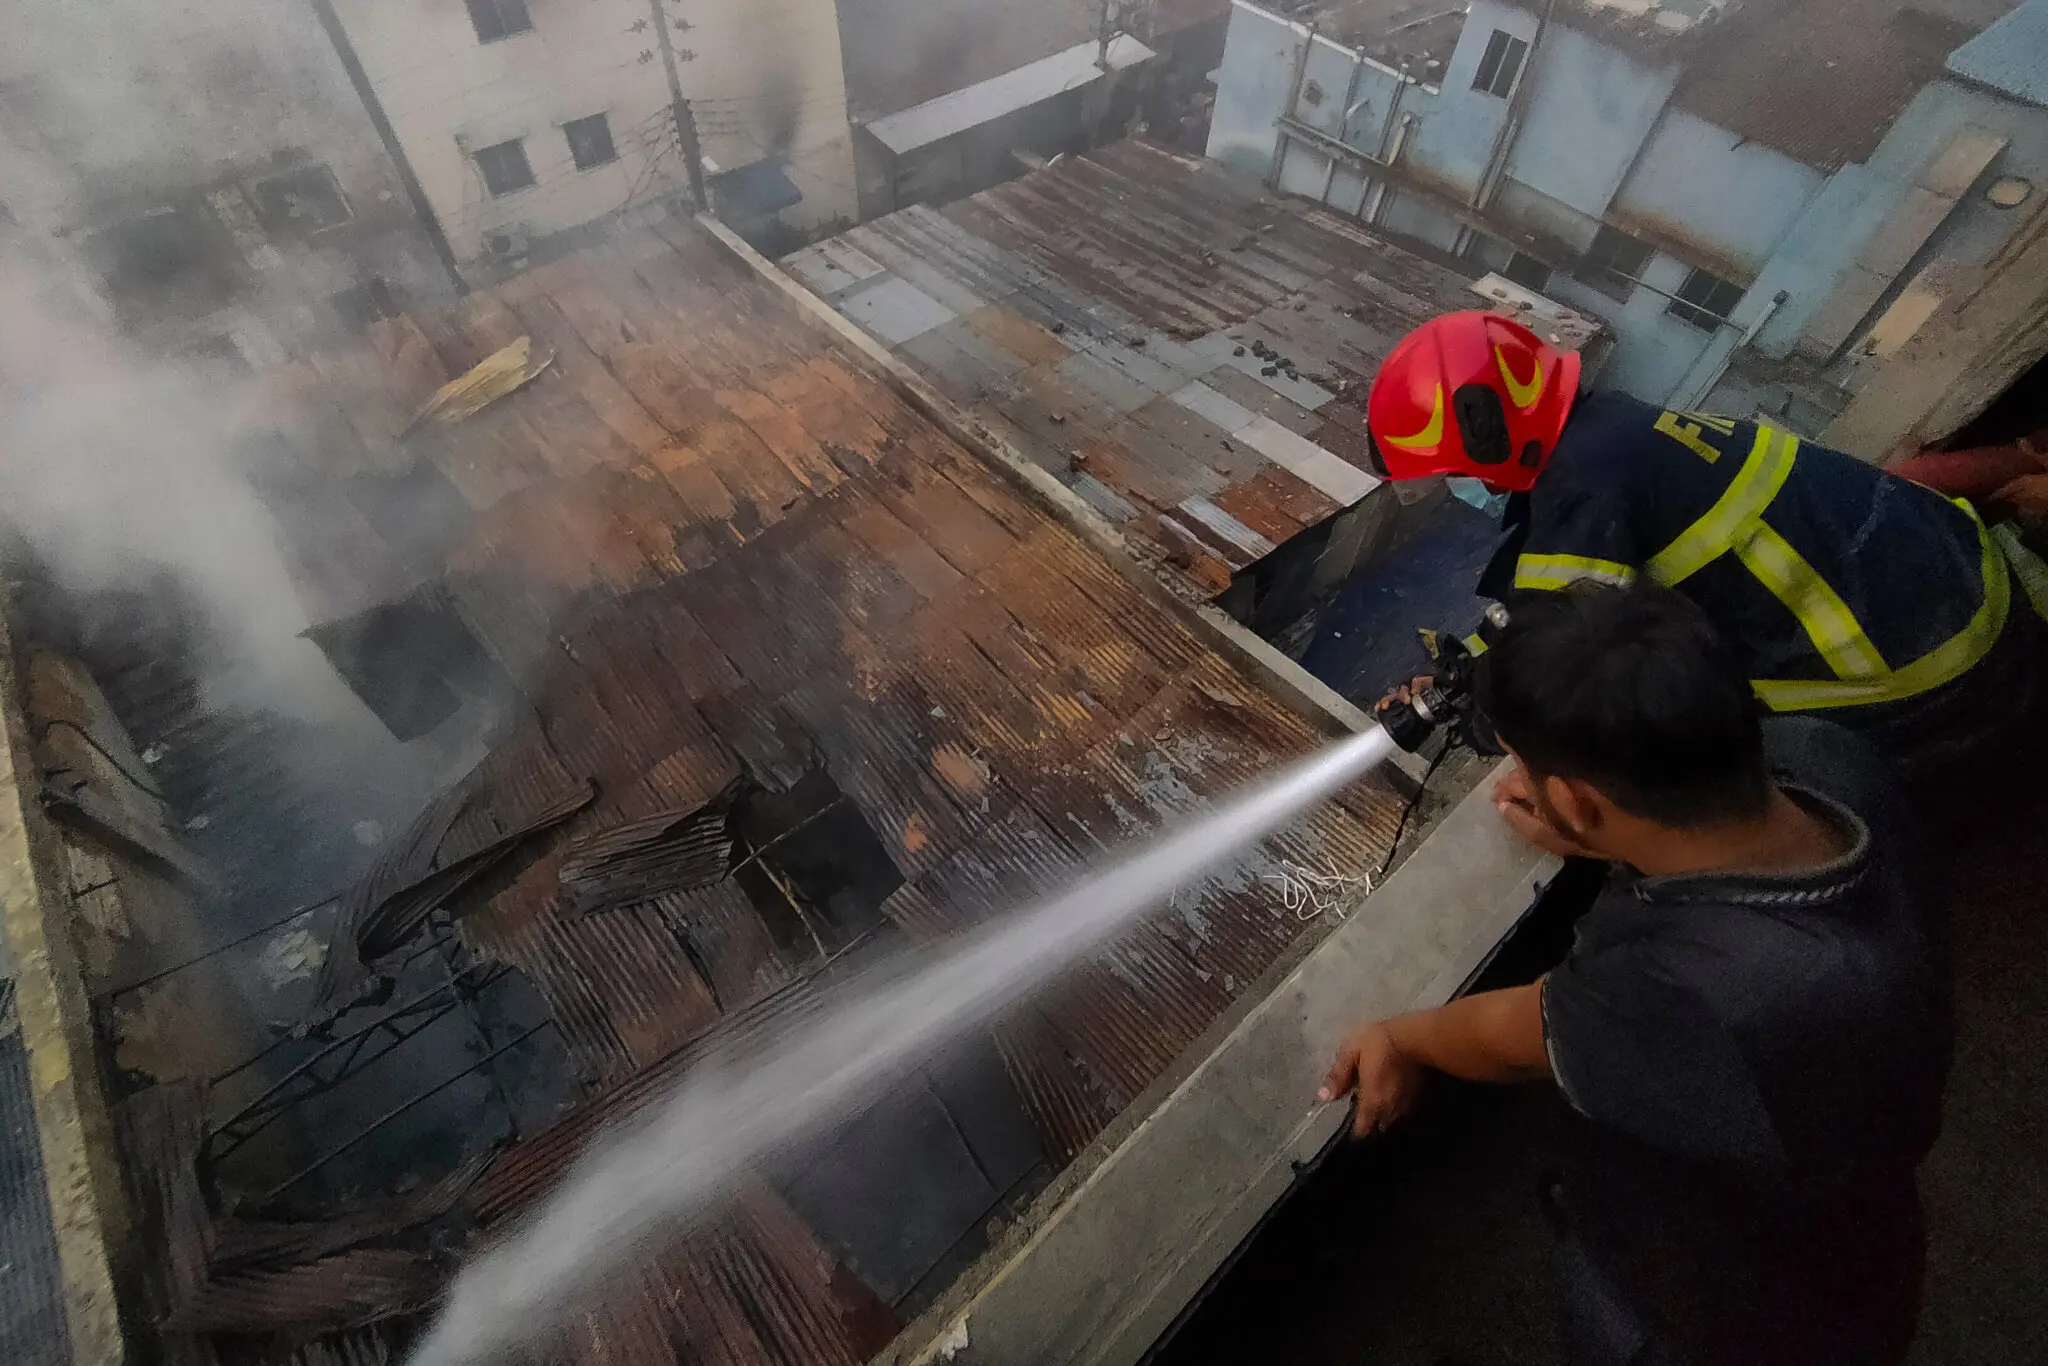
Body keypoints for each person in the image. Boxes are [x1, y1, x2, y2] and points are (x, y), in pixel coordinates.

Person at [1322, 582, 1951, 1366]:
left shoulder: (1694, 997)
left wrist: (1398, 1037)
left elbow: (1511, 1036)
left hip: (1725, 1306)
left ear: (1581, 804)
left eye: (1522, 764)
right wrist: (1618, 839)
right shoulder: (1828, 760)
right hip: (1866, 1224)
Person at [1365, 310, 2044, 773]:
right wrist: (1468, 663)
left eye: (1456, 469)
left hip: (1937, 681)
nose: (1461, 483)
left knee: (1678, 775)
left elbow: (1561, 663)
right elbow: (1550, 600)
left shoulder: (1584, 492)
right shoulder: (1617, 432)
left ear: (1490, 434)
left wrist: (1489, 716)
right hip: (1974, 586)